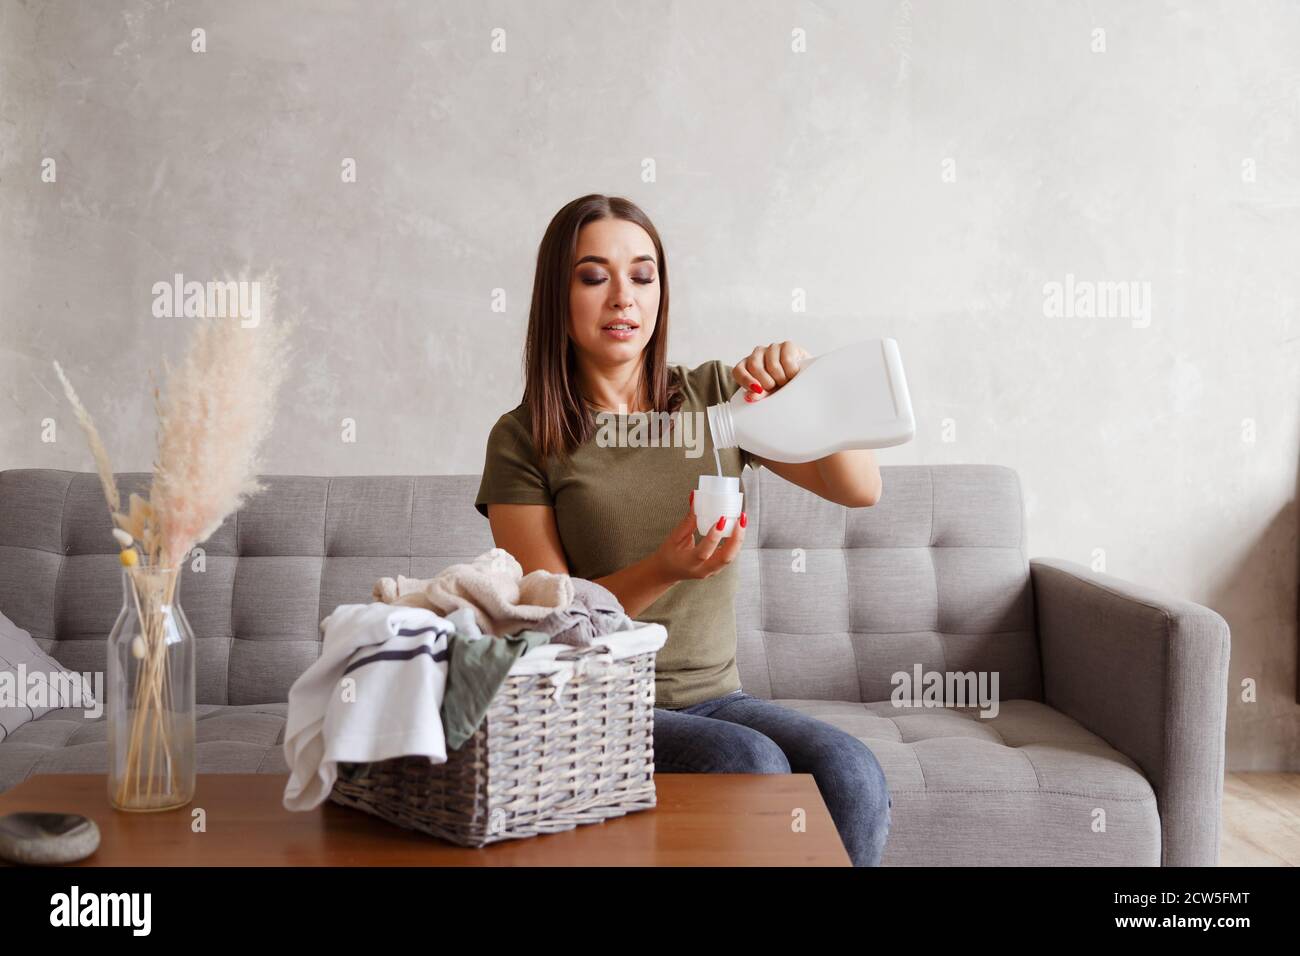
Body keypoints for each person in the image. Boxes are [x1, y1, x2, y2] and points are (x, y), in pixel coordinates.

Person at [474, 194, 892, 865]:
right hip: (594, 701)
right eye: (593, 276)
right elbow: (553, 623)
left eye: (642, 276)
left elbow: (860, 488)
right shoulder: (525, 437)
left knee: (852, 770)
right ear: (557, 294)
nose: (622, 299)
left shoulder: (715, 399)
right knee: (746, 760)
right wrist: (665, 569)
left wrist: (809, 384)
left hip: (716, 698)